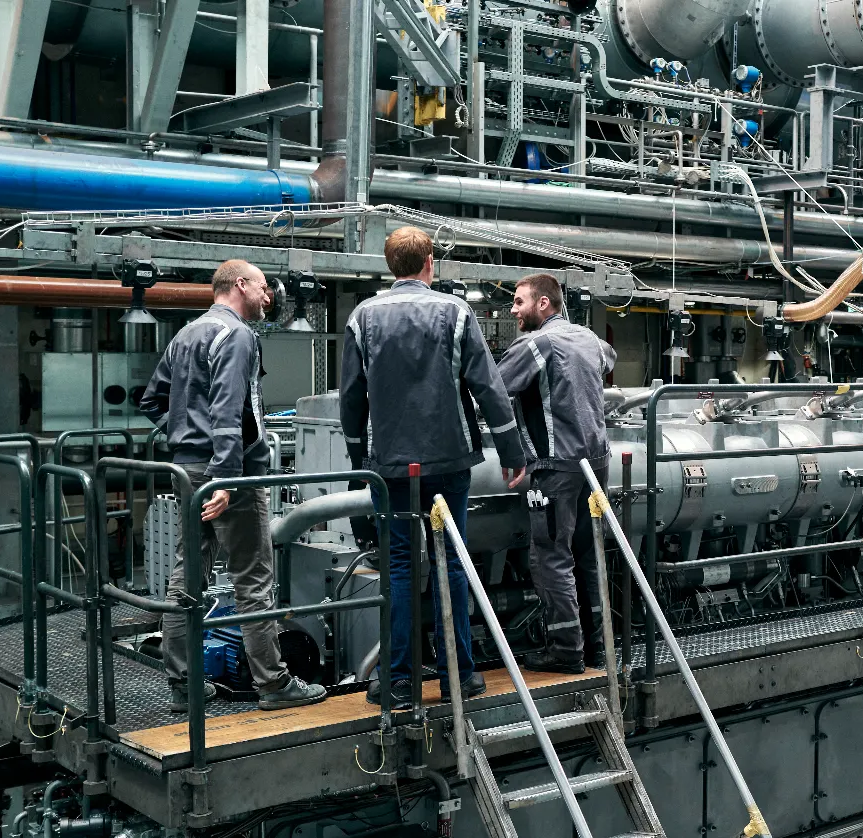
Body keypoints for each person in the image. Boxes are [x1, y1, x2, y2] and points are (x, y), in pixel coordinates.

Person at [341, 227, 528, 709]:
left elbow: (352, 397)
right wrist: (511, 451)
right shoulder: (456, 312)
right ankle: (458, 676)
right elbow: (489, 387)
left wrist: (359, 458)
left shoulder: (363, 316)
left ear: (390, 266)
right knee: (452, 563)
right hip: (448, 460)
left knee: (400, 567)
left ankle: (399, 682)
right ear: (429, 263)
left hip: (391, 466)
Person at [140, 259, 328, 713]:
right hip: (231, 475)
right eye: (263, 288)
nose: (268, 297)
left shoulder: (187, 334)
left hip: (188, 471)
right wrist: (225, 476)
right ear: (240, 284)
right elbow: (227, 411)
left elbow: (151, 401)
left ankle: (184, 684)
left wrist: (186, 437)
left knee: (188, 575)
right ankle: (273, 684)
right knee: (254, 578)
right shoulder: (237, 335)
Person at [497, 273, 614, 673]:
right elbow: (610, 358)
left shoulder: (535, 344)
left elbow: (494, 389)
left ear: (543, 303)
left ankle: (565, 651)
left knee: (551, 557)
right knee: (589, 555)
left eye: (519, 302)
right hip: (596, 465)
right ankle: (597, 648)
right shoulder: (589, 339)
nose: (513, 310)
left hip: (556, 467)